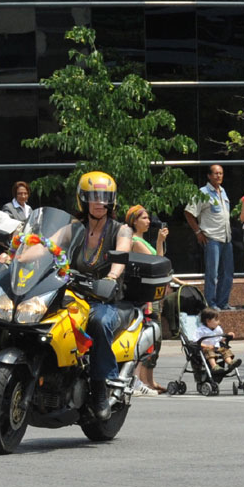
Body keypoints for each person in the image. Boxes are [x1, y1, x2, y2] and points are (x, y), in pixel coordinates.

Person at [70, 171, 133, 420]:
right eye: (94, 196)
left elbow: (122, 254)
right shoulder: (74, 229)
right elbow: (47, 244)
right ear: (83, 199)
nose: (99, 202)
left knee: (98, 322)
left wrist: (112, 277)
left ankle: (99, 388)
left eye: (104, 197)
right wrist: (18, 254)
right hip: (73, 296)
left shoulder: (121, 229)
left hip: (103, 298)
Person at [126, 205, 168, 394]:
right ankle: (141, 380)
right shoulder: (135, 241)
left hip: (151, 294)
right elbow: (156, 262)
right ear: (134, 221)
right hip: (146, 297)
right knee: (149, 336)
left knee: (154, 338)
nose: (148, 221)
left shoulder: (141, 240)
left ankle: (148, 380)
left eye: (148, 218)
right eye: (143, 218)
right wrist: (159, 241)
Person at [187, 164, 233, 309]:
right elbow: (188, 213)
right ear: (209, 176)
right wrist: (198, 232)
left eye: (221, 173)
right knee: (212, 274)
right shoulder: (203, 193)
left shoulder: (223, 191)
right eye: (216, 173)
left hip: (226, 238)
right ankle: (211, 303)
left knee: (227, 273)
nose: (219, 176)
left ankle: (223, 302)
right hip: (212, 238)